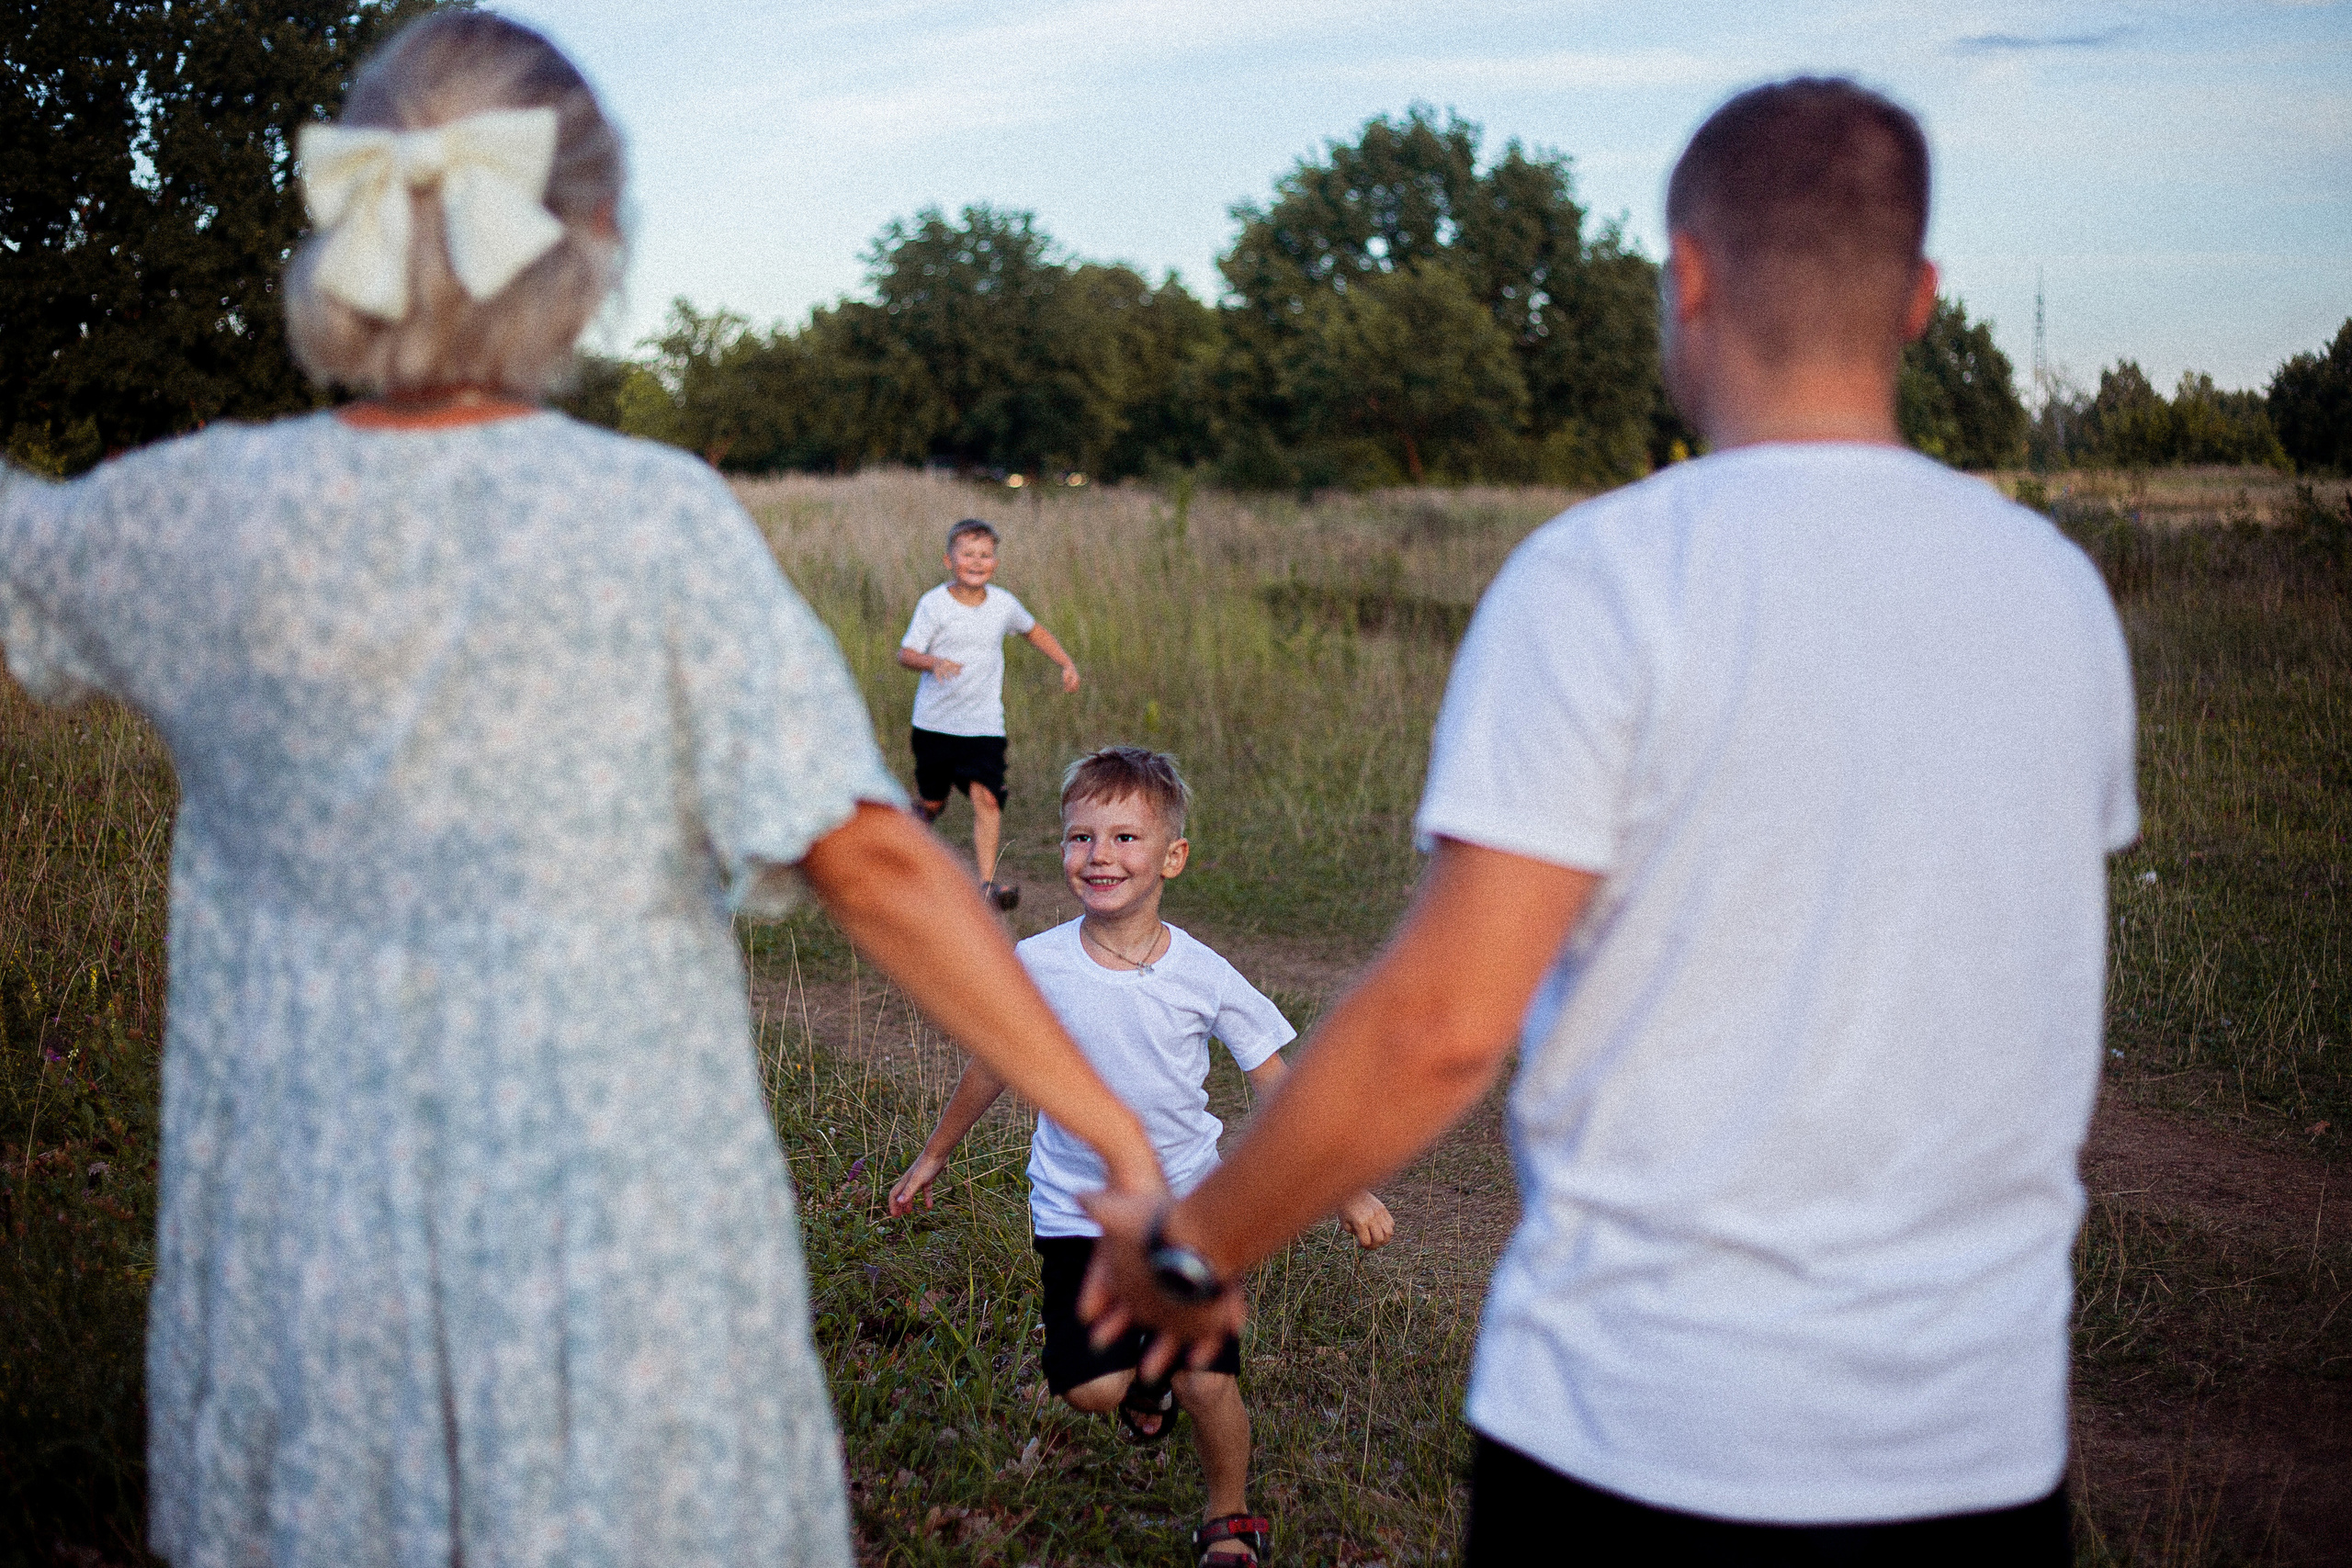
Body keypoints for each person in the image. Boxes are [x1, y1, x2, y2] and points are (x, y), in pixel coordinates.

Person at [0, 15, 1164, 1567]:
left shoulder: (198, 512)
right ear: (593, 244)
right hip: (613, 1270)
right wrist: (1119, 1138)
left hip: (305, 1268)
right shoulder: (651, 525)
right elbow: (874, 863)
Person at [1080, 78, 2139, 1564]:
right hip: (1977, 1445)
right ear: (1922, 300)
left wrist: (1197, 1248)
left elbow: (1447, 1021)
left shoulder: (1605, 579)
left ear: (1687, 280)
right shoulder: (2058, 596)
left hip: (1640, 1433)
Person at [887, 746, 1393, 1568]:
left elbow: (1278, 1083)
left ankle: (1229, 1517)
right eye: (1081, 837)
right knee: (1094, 1391)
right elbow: (994, 1062)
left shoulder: (1204, 974)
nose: (1100, 856)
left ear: (1171, 858)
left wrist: (1346, 1188)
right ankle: (1136, 1383)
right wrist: (936, 1153)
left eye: (1126, 837)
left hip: (1190, 1208)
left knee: (1206, 1382)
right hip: (1072, 1206)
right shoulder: (1039, 962)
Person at [897, 517, 1080, 910]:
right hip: (934, 725)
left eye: (985, 555)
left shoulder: (1003, 604)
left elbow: (1033, 631)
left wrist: (1066, 662)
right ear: (949, 560)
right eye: (967, 554)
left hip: (983, 725)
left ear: (994, 562)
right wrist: (932, 662)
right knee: (931, 802)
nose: (976, 562)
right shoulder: (934, 604)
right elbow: (905, 654)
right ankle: (915, 829)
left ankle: (985, 885)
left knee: (987, 798)